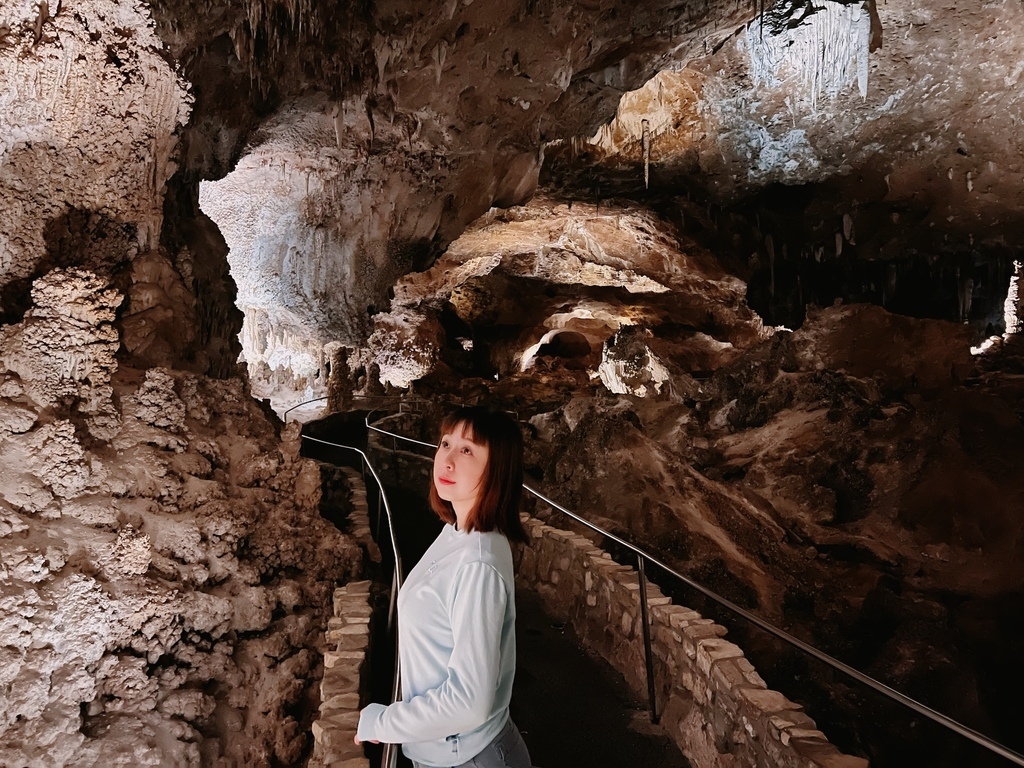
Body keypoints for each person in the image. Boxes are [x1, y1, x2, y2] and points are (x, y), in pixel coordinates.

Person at [355, 406, 534, 768]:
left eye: (467, 450)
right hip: (452, 751)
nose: (447, 460)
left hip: (468, 757)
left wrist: (385, 723)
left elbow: (469, 699)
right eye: (445, 443)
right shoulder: (457, 531)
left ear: (496, 469)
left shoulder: (478, 563)